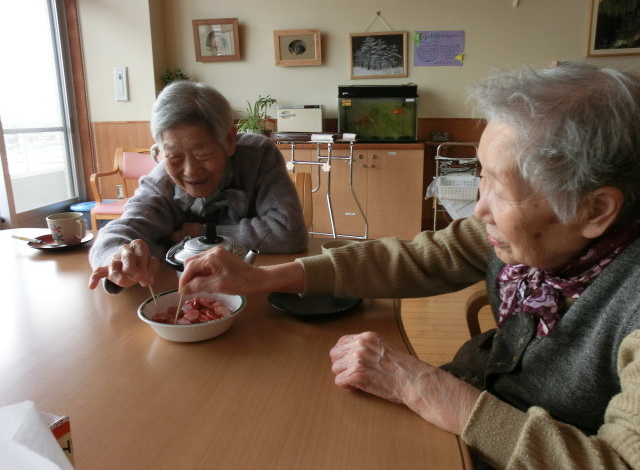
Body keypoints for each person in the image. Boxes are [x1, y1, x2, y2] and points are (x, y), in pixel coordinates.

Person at [176, 63, 640, 469]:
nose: (478, 209)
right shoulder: (535, 239)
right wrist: (266, 277)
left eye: (500, 187)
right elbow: (421, 257)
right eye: (482, 176)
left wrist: (422, 386)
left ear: (595, 210)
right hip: (467, 421)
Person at [88, 81, 308, 294]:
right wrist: (120, 259)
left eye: (202, 153)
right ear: (160, 152)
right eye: (174, 156)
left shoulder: (258, 156)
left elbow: (289, 232)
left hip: (260, 289)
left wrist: (200, 234)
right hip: (186, 295)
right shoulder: (162, 180)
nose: (190, 170)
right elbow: (117, 233)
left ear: (230, 140)